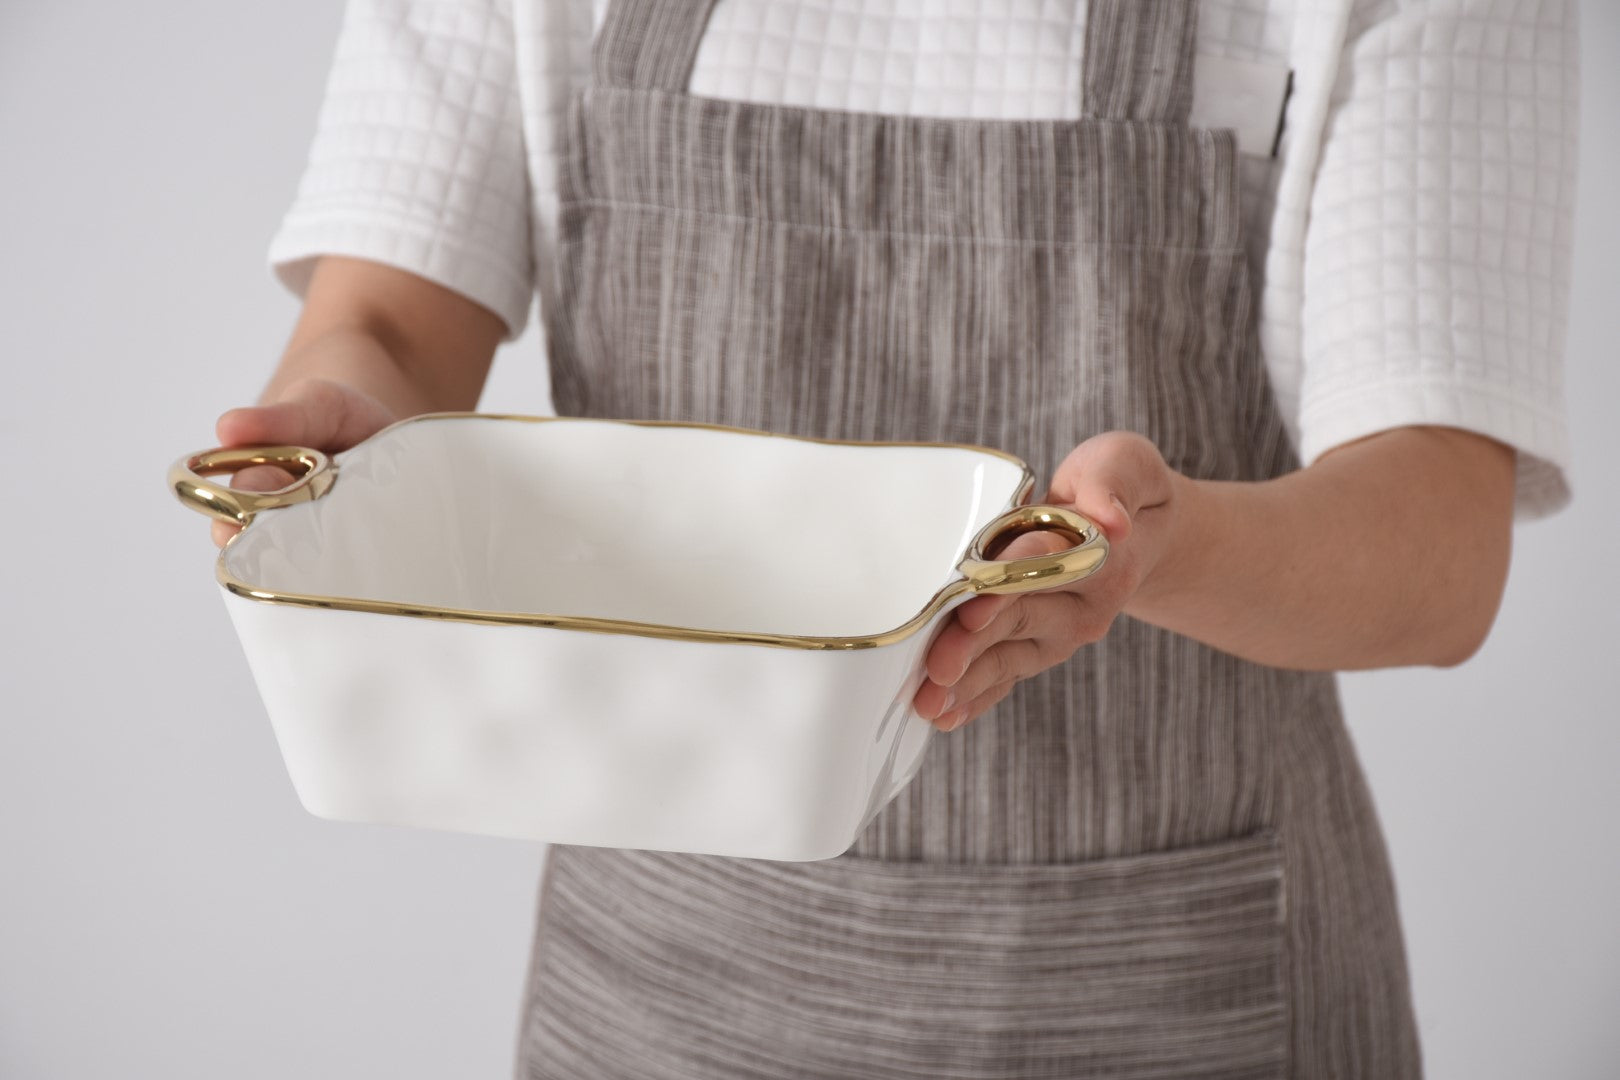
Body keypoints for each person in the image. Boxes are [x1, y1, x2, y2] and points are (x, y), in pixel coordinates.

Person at [206, 0, 1579, 1076]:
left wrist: (1165, 546)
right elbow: (385, 327)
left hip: (1176, 994)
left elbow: (1436, 555)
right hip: (664, 988)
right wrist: (346, 443)